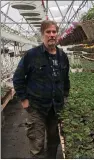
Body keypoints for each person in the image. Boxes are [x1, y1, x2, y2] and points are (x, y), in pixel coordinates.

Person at [13, 20, 70, 159]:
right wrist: (24, 100)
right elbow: (18, 78)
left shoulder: (62, 56)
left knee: (54, 141)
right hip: (36, 107)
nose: (51, 35)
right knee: (37, 144)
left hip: (55, 108)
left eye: (54, 32)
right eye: (48, 32)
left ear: (57, 34)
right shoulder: (32, 55)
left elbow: (65, 79)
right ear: (42, 35)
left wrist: (65, 97)